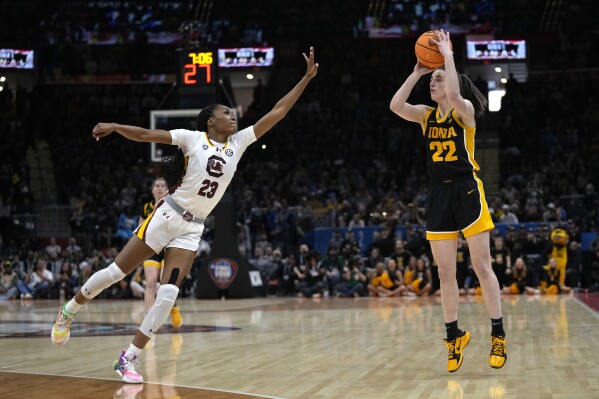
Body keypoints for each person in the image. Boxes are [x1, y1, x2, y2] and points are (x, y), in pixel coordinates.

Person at [51, 47, 319, 383]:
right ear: (211, 120)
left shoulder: (239, 143)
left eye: (233, 112)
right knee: (115, 273)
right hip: (168, 216)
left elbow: (278, 112)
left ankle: (128, 359)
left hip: (192, 229)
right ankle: (69, 310)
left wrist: (304, 80)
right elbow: (148, 135)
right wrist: (117, 126)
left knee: (167, 297)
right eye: (226, 112)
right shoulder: (192, 138)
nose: (232, 115)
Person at [389, 30, 506, 372]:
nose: (433, 83)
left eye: (437, 78)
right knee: (444, 271)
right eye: (433, 79)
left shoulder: (463, 111)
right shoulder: (426, 116)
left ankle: (497, 333)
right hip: (438, 193)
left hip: (467, 190)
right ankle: (454, 336)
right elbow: (395, 106)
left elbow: (454, 91)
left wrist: (448, 56)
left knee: (482, 266)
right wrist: (416, 73)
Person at [138, 177, 183, 329]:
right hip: (151, 248)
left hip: (168, 248)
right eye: (156, 185)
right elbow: (140, 230)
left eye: (163, 186)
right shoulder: (146, 208)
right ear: (152, 190)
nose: (159, 188)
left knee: (166, 284)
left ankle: (174, 308)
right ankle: (148, 321)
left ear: (168, 190)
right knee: (150, 282)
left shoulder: (174, 206)